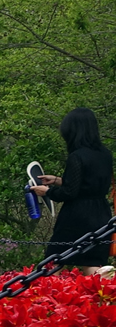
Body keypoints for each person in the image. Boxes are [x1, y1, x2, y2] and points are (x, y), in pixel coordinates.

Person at [34, 107, 114, 274]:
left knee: (54, 259)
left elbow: (69, 193)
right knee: (93, 262)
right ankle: (101, 296)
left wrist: (47, 192)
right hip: (101, 213)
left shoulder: (77, 156)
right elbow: (89, 184)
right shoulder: (105, 154)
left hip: (77, 215)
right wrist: (57, 180)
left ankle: (48, 297)